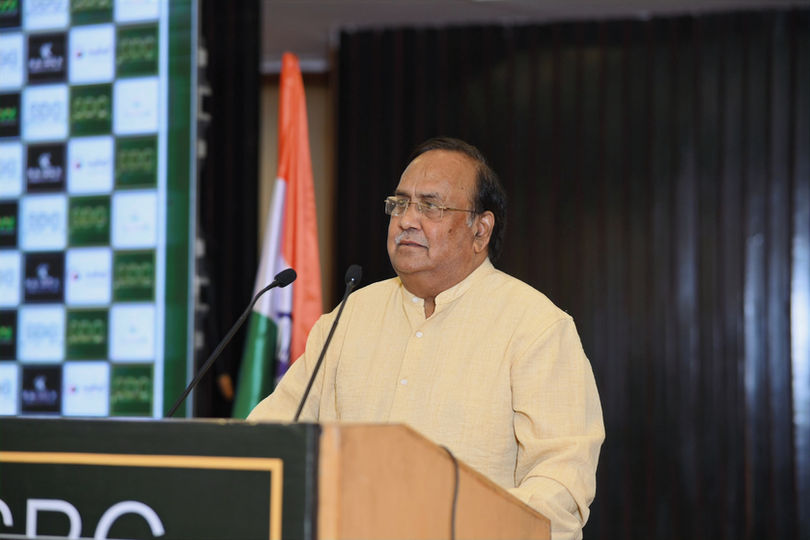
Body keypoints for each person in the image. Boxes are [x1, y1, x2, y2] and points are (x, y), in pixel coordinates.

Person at [248, 137, 605, 540]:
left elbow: (560, 483)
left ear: (480, 229)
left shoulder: (535, 327)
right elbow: (270, 437)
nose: (406, 220)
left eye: (430, 206)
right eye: (399, 204)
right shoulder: (347, 320)